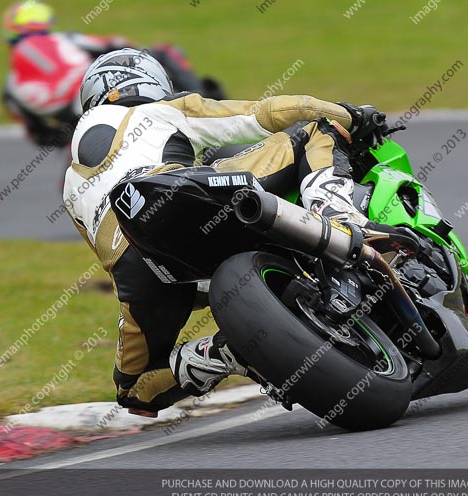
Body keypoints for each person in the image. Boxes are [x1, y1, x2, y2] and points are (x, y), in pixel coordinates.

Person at [66, 48, 390, 417]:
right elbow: (264, 114)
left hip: (140, 265)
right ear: (151, 82)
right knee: (317, 130)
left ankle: (229, 351)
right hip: (180, 195)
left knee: (134, 390)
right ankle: (341, 217)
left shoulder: (70, 182)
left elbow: (111, 251)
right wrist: (348, 114)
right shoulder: (160, 110)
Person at [1, 1, 224, 148]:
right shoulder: (63, 39)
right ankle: (206, 100)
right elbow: (116, 43)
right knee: (163, 51)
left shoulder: (10, 90)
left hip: (85, 124)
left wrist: (72, 134)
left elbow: (41, 136)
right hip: (110, 88)